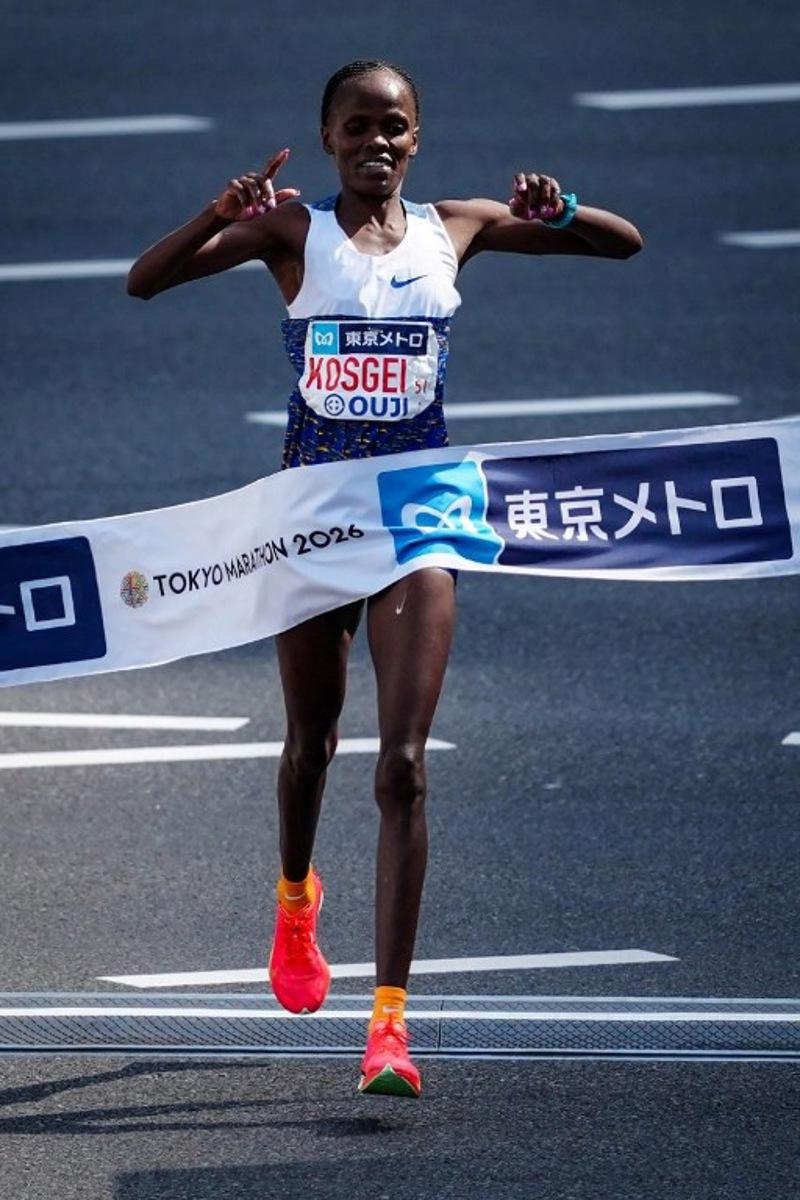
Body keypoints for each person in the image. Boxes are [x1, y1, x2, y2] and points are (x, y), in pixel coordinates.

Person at [127, 58, 643, 1098]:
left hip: (417, 517)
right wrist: (215, 212)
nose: (377, 141)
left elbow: (619, 245)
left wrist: (566, 206)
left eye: (394, 126)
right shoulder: (290, 234)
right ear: (327, 139)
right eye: (357, 125)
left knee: (401, 763)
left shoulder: (455, 227)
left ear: (416, 140)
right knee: (311, 745)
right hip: (311, 517)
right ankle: (292, 900)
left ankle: (389, 1026)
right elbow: (146, 280)